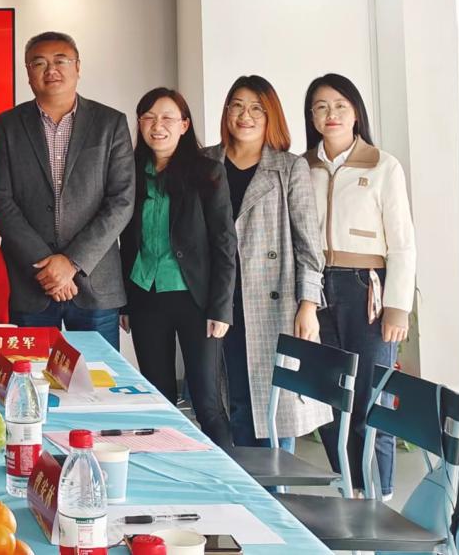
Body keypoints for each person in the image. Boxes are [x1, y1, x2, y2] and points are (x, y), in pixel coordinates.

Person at [304, 73, 415, 501]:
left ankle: (378, 497)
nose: (330, 114)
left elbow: (402, 243)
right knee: (331, 399)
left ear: (355, 112)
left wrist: (398, 307)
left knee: (371, 400)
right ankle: (349, 491)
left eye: (339, 105)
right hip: (317, 290)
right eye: (320, 106)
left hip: (366, 291)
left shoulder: (384, 166)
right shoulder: (302, 167)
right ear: (312, 116)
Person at [203, 75, 329, 452]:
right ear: (226, 111)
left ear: (271, 114)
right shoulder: (205, 162)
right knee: (228, 402)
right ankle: (238, 480)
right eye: (238, 106)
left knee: (275, 406)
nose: (246, 116)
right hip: (218, 301)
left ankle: (275, 485)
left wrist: (309, 304)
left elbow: (309, 245)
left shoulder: (289, 168)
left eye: (257, 108)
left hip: (273, 303)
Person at [0, 31, 135, 349]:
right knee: (30, 373)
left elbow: (121, 200)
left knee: (98, 375)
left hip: (94, 281)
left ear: (78, 67)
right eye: (39, 63)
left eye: (60, 61)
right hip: (31, 282)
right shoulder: (7, 127)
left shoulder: (110, 123)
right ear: (28, 73)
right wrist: (47, 265)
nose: (50, 69)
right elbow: (1, 201)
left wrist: (72, 263)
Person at [119, 88, 235, 446]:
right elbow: (125, 241)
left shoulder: (208, 172)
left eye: (168, 118)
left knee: (207, 402)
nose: (158, 126)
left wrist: (221, 307)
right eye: (149, 118)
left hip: (195, 300)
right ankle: (166, 467)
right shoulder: (129, 173)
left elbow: (224, 243)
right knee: (157, 399)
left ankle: (225, 474)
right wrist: (124, 302)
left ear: (184, 125)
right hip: (146, 297)